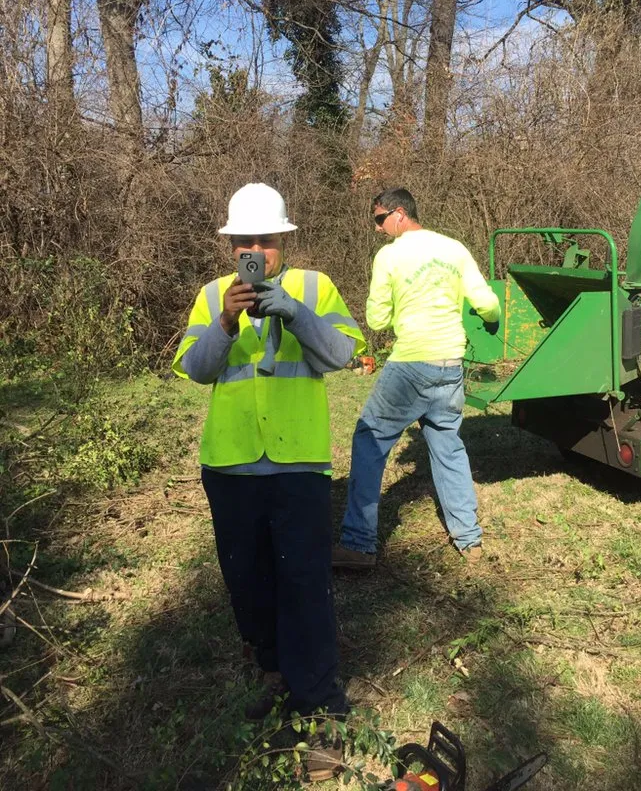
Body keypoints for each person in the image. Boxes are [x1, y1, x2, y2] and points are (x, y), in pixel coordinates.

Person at [173, 183, 365, 781]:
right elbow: (197, 371)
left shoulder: (316, 287)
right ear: (231, 245)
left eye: (267, 240)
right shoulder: (211, 297)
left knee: (305, 585)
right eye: (244, 241)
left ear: (284, 241)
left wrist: (296, 313)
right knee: (247, 582)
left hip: (297, 464)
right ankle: (277, 675)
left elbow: (341, 356)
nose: (256, 250)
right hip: (229, 464)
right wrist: (226, 322)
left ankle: (324, 712)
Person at [333, 188, 500, 569]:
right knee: (448, 446)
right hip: (450, 365)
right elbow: (487, 304)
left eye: (380, 219)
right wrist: (491, 322)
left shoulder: (390, 256)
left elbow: (376, 319)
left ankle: (359, 545)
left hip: (410, 365)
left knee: (369, 439)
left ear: (400, 214)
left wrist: (399, 315)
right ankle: (469, 540)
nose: (377, 229)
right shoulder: (455, 248)